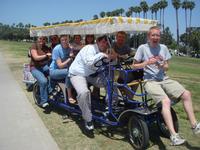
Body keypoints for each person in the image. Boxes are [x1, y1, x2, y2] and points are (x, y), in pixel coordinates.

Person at [132, 26, 200, 146]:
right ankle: (174, 136)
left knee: (186, 94)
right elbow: (134, 66)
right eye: (153, 35)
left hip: (164, 78)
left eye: (157, 35)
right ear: (149, 36)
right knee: (166, 101)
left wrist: (162, 65)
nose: (155, 37)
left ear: (160, 37)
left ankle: (194, 125)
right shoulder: (142, 48)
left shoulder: (163, 48)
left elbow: (167, 66)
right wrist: (147, 62)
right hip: (150, 81)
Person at [69, 35, 117, 131]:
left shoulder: (104, 51)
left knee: (111, 83)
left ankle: (111, 107)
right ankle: (88, 119)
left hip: (91, 74)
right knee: (83, 93)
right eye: (103, 41)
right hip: (78, 74)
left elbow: (114, 62)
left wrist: (113, 57)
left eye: (107, 42)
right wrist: (104, 55)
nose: (105, 44)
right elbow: (89, 63)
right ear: (98, 41)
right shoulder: (89, 48)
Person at [49, 35, 76, 104]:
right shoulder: (56, 49)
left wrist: (72, 50)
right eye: (62, 40)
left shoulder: (70, 48)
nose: (64, 41)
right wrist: (70, 58)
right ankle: (70, 96)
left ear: (68, 40)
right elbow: (60, 66)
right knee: (69, 72)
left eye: (66, 40)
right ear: (60, 41)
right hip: (54, 71)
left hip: (65, 69)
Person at [30, 36, 51, 108]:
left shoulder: (46, 48)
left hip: (44, 67)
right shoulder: (34, 46)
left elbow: (51, 57)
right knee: (43, 81)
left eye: (44, 39)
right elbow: (35, 57)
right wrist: (46, 55)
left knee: (54, 74)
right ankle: (43, 101)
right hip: (35, 67)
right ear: (37, 39)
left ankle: (50, 90)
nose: (42, 40)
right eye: (40, 38)